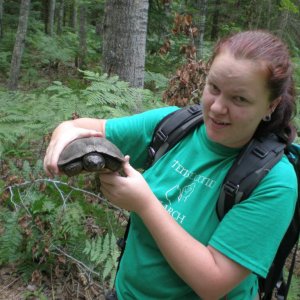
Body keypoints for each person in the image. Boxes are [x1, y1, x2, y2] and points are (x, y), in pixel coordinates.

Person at [44, 30, 298, 300]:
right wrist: (63, 133)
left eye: (239, 99)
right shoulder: (174, 126)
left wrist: (145, 204)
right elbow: (80, 128)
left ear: (271, 105)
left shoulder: (273, 180)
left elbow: (213, 282)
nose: (216, 108)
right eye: (214, 88)